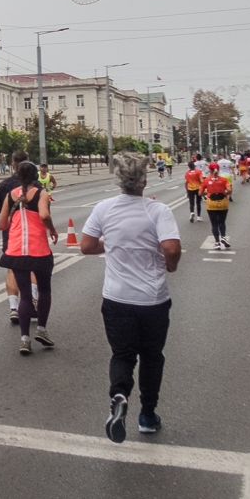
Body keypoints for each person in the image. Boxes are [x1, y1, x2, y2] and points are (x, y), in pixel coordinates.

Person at [80, 152, 182, 443]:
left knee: (122, 355)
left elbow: (86, 246)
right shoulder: (157, 211)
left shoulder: (104, 209)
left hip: (116, 299)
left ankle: (120, 395)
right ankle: (148, 416)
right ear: (145, 180)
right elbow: (172, 249)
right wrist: (170, 266)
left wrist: (112, 246)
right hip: (153, 300)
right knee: (152, 357)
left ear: (118, 180)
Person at [0, 161, 59, 354]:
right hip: (38, 250)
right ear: (36, 176)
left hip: (15, 251)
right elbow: (44, 214)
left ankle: (25, 340)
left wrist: (15, 219)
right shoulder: (41, 193)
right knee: (44, 291)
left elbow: (1, 225)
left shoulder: (10, 195)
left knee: (24, 296)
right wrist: (52, 229)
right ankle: (41, 329)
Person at [0, 151, 34, 324]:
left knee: (12, 269)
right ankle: (34, 302)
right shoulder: (36, 185)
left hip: (11, 234)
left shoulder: (4, 186)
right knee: (32, 268)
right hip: (32, 233)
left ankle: (14, 308)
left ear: (13, 165)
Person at [200, 162, 232, 251]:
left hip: (211, 204)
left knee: (214, 224)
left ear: (209, 170)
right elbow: (229, 190)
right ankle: (223, 237)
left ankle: (217, 243)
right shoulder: (224, 180)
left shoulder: (206, 180)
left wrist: (209, 193)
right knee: (222, 222)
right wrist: (223, 194)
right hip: (223, 204)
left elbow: (200, 193)